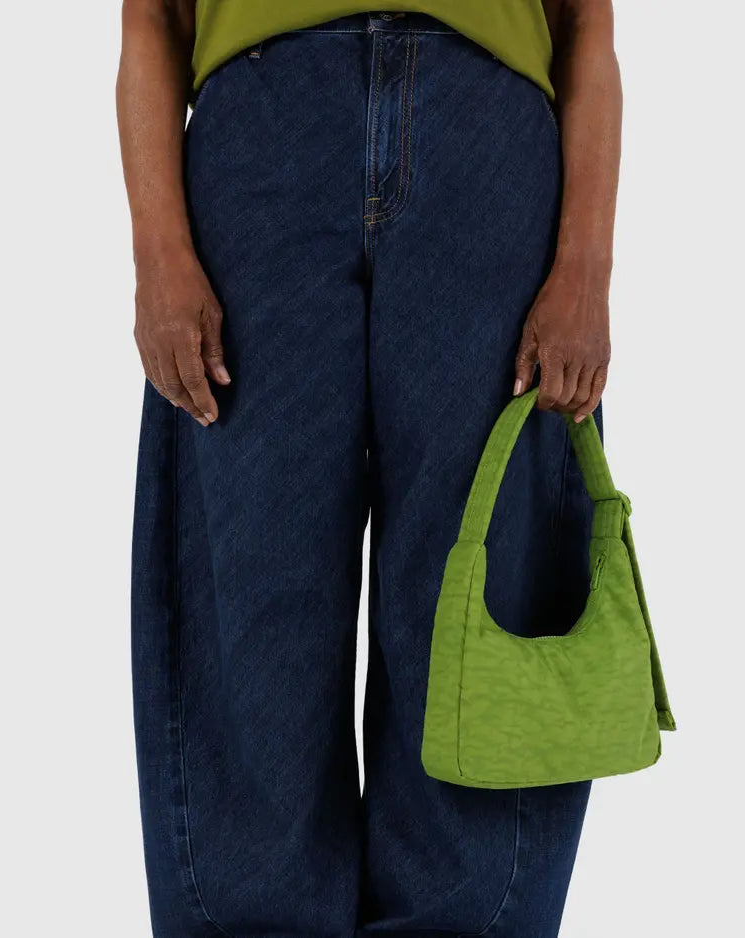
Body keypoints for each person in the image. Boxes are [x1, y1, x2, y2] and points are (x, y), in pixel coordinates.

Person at [117, 2, 621, 935]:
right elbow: (149, 19)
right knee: (252, 585)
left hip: (487, 139)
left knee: (478, 599)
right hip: (259, 139)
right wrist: (157, 250)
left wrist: (587, 266)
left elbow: (588, 25)